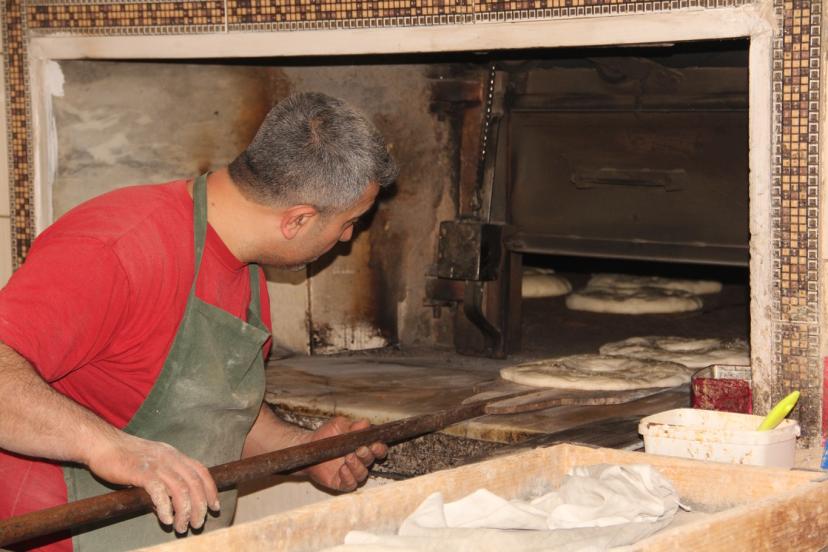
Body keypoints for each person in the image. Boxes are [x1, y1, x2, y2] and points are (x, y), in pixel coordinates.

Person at [0, 92, 398, 551]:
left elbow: (212, 418)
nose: (347, 237)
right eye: (350, 221)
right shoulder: (117, 248)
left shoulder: (245, 266)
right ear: (297, 220)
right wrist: (108, 447)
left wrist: (306, 452)